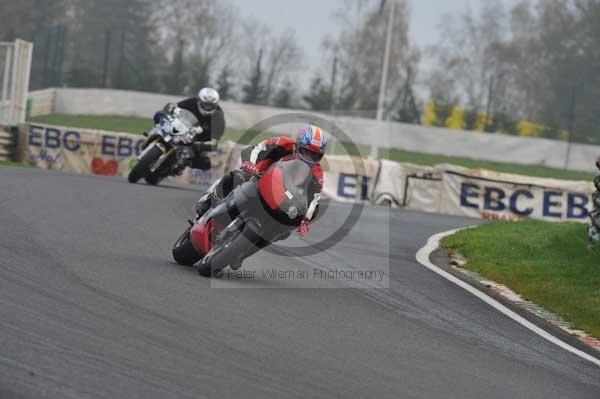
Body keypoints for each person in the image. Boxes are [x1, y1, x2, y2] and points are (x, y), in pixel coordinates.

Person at [195, 125, 328, 238]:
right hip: (256, 177)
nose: (308, 157)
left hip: (282, 197)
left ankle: (244, 251)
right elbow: (255, 150)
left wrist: (305, 220)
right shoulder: (282, 143)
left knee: (286, 229)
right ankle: (207, 201)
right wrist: (250, 164)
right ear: (296, 145)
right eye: (305, 151)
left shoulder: (316, 171)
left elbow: (314, 198)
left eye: (314, 155)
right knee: (238, 176)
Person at [153, 87, 225, 170]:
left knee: (205, 162)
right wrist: (170, 110)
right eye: (204, 104)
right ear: (199, 101)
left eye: (210, 106)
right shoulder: (192, 102)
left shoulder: (219, 117)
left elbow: (214, 140)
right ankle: (154, 133)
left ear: (215, 105)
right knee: (160, 115)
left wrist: (200, 145)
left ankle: (180, 165)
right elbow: (176, 107)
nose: (207, 107)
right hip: (181, 127)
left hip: (198, 139)